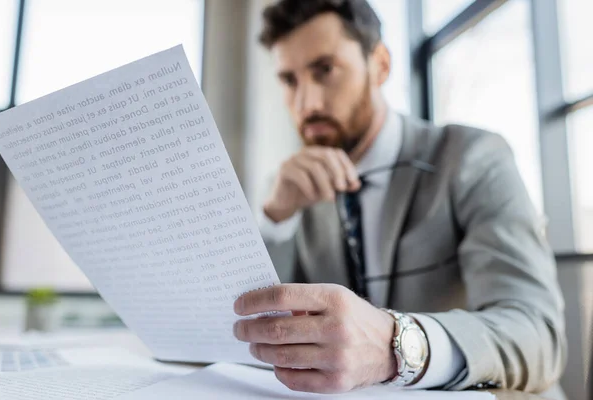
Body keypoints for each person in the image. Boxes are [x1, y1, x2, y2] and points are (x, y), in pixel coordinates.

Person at [232, 0, 567, 397]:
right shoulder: (293, 191)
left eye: (325, 71)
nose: (308, 104)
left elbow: (540, 336)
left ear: (381, 65)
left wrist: (397, 348)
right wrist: (275, 219)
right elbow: (259, 330)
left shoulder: (472, 158)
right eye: (290, 81)